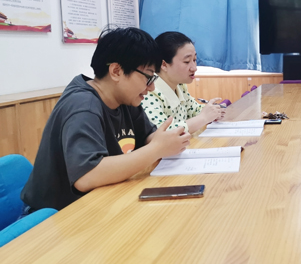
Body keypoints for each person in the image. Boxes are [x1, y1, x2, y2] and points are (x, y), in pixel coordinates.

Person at [21, 27, 191, 212]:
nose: (151, 88)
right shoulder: (83, 106)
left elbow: (148, 137)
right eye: (148, 78)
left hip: (98, 203)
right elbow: (87, 176)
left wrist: (164, 142)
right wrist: (157, 149)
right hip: (53, 217)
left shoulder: (125, 98)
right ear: (116, 71)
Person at [142, 31, 225, 133]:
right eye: (187, 62)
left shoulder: (180, 85)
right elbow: (161, 132)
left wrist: (213, 111)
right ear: (164, 64)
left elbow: (194, 110)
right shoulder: (149, 92)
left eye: (194, 60)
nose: (194, 68)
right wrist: (203, 117)